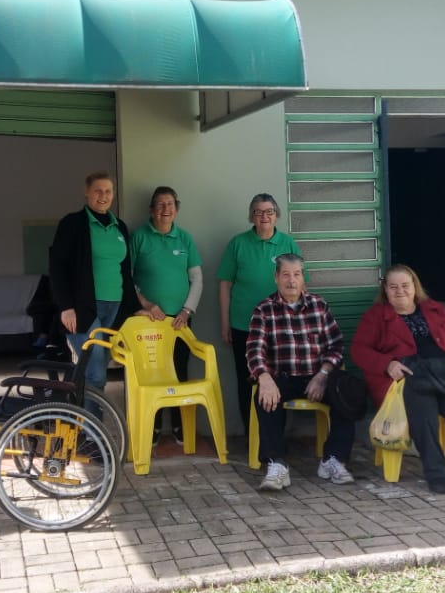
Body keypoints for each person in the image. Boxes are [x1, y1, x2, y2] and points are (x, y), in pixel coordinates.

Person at [352, 264, 445, 494]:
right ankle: (436, 475)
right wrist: (387, 364)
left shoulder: (434, 309)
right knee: (424, 416)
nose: (400, 291)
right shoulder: (375, 316)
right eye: (393, 286)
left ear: (415, 287)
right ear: (385, 289)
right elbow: (359, 350)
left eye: (405, 285)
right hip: (408, 378)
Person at [246, 253, 355, 491]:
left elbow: (336, 345)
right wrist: (264, 377)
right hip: (282, 377)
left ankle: (333, 459)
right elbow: (254, 349)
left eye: (296, 274)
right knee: (264, 397)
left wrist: (323, 375)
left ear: (303, 278)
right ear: (276, 278)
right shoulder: (264, 309)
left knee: (348, 391)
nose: (291, 280)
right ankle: (277, 465)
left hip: (316, 377)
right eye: (285, 274)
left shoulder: (319, 305)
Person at [217, 193, 302, 437]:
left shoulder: (287, 244)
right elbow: (225, 284)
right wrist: (225, 323)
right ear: (251, 216)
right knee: (247, 382)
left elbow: (299, 282)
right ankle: (251, 436)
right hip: (244, 324)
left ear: (276, 215)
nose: (264, 216)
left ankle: (274, 437)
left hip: (282, 327)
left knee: (279, 382)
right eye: (258, 212)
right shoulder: (238, 244)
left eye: (269, 212)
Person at [48, 171, 142, 391]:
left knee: (92, 370)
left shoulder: (119, 226)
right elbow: (57, 267)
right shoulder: (72, 223)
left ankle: (76, 419)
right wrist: (66, 307)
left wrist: (136, 307)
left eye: (108, 191)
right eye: (98, 190)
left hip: (115, 309)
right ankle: (91, 426)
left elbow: (125, 273)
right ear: (87, 193)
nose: (103, 195)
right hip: (83, 309)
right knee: (96, 373)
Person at [130, 186, 203, 445]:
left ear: (177, 208)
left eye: (170, 204)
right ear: (151, 209)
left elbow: (196, 278)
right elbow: (126, 277)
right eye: (160, 204)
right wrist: (146, 304)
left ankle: (178, 428)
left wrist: (186, 310)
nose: (165, 209)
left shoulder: (185, 239)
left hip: (178, 320)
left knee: (179, 371)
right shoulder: (138, 237)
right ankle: (153, 428)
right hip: (146, 320)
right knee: (151, 374)